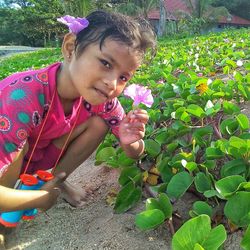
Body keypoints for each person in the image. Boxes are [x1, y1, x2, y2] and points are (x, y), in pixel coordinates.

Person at [0, 10, 156, 218]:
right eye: (105, 63)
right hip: (9, 160)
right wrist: (41, 199)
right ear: (71, 47)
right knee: (22, 148)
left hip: (38, 158)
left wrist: (131, 141)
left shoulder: (103, 100)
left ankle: (53, 181)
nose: (112, 83)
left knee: (99, 124)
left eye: (123, 77)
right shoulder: (22, 97)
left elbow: (133, 152)